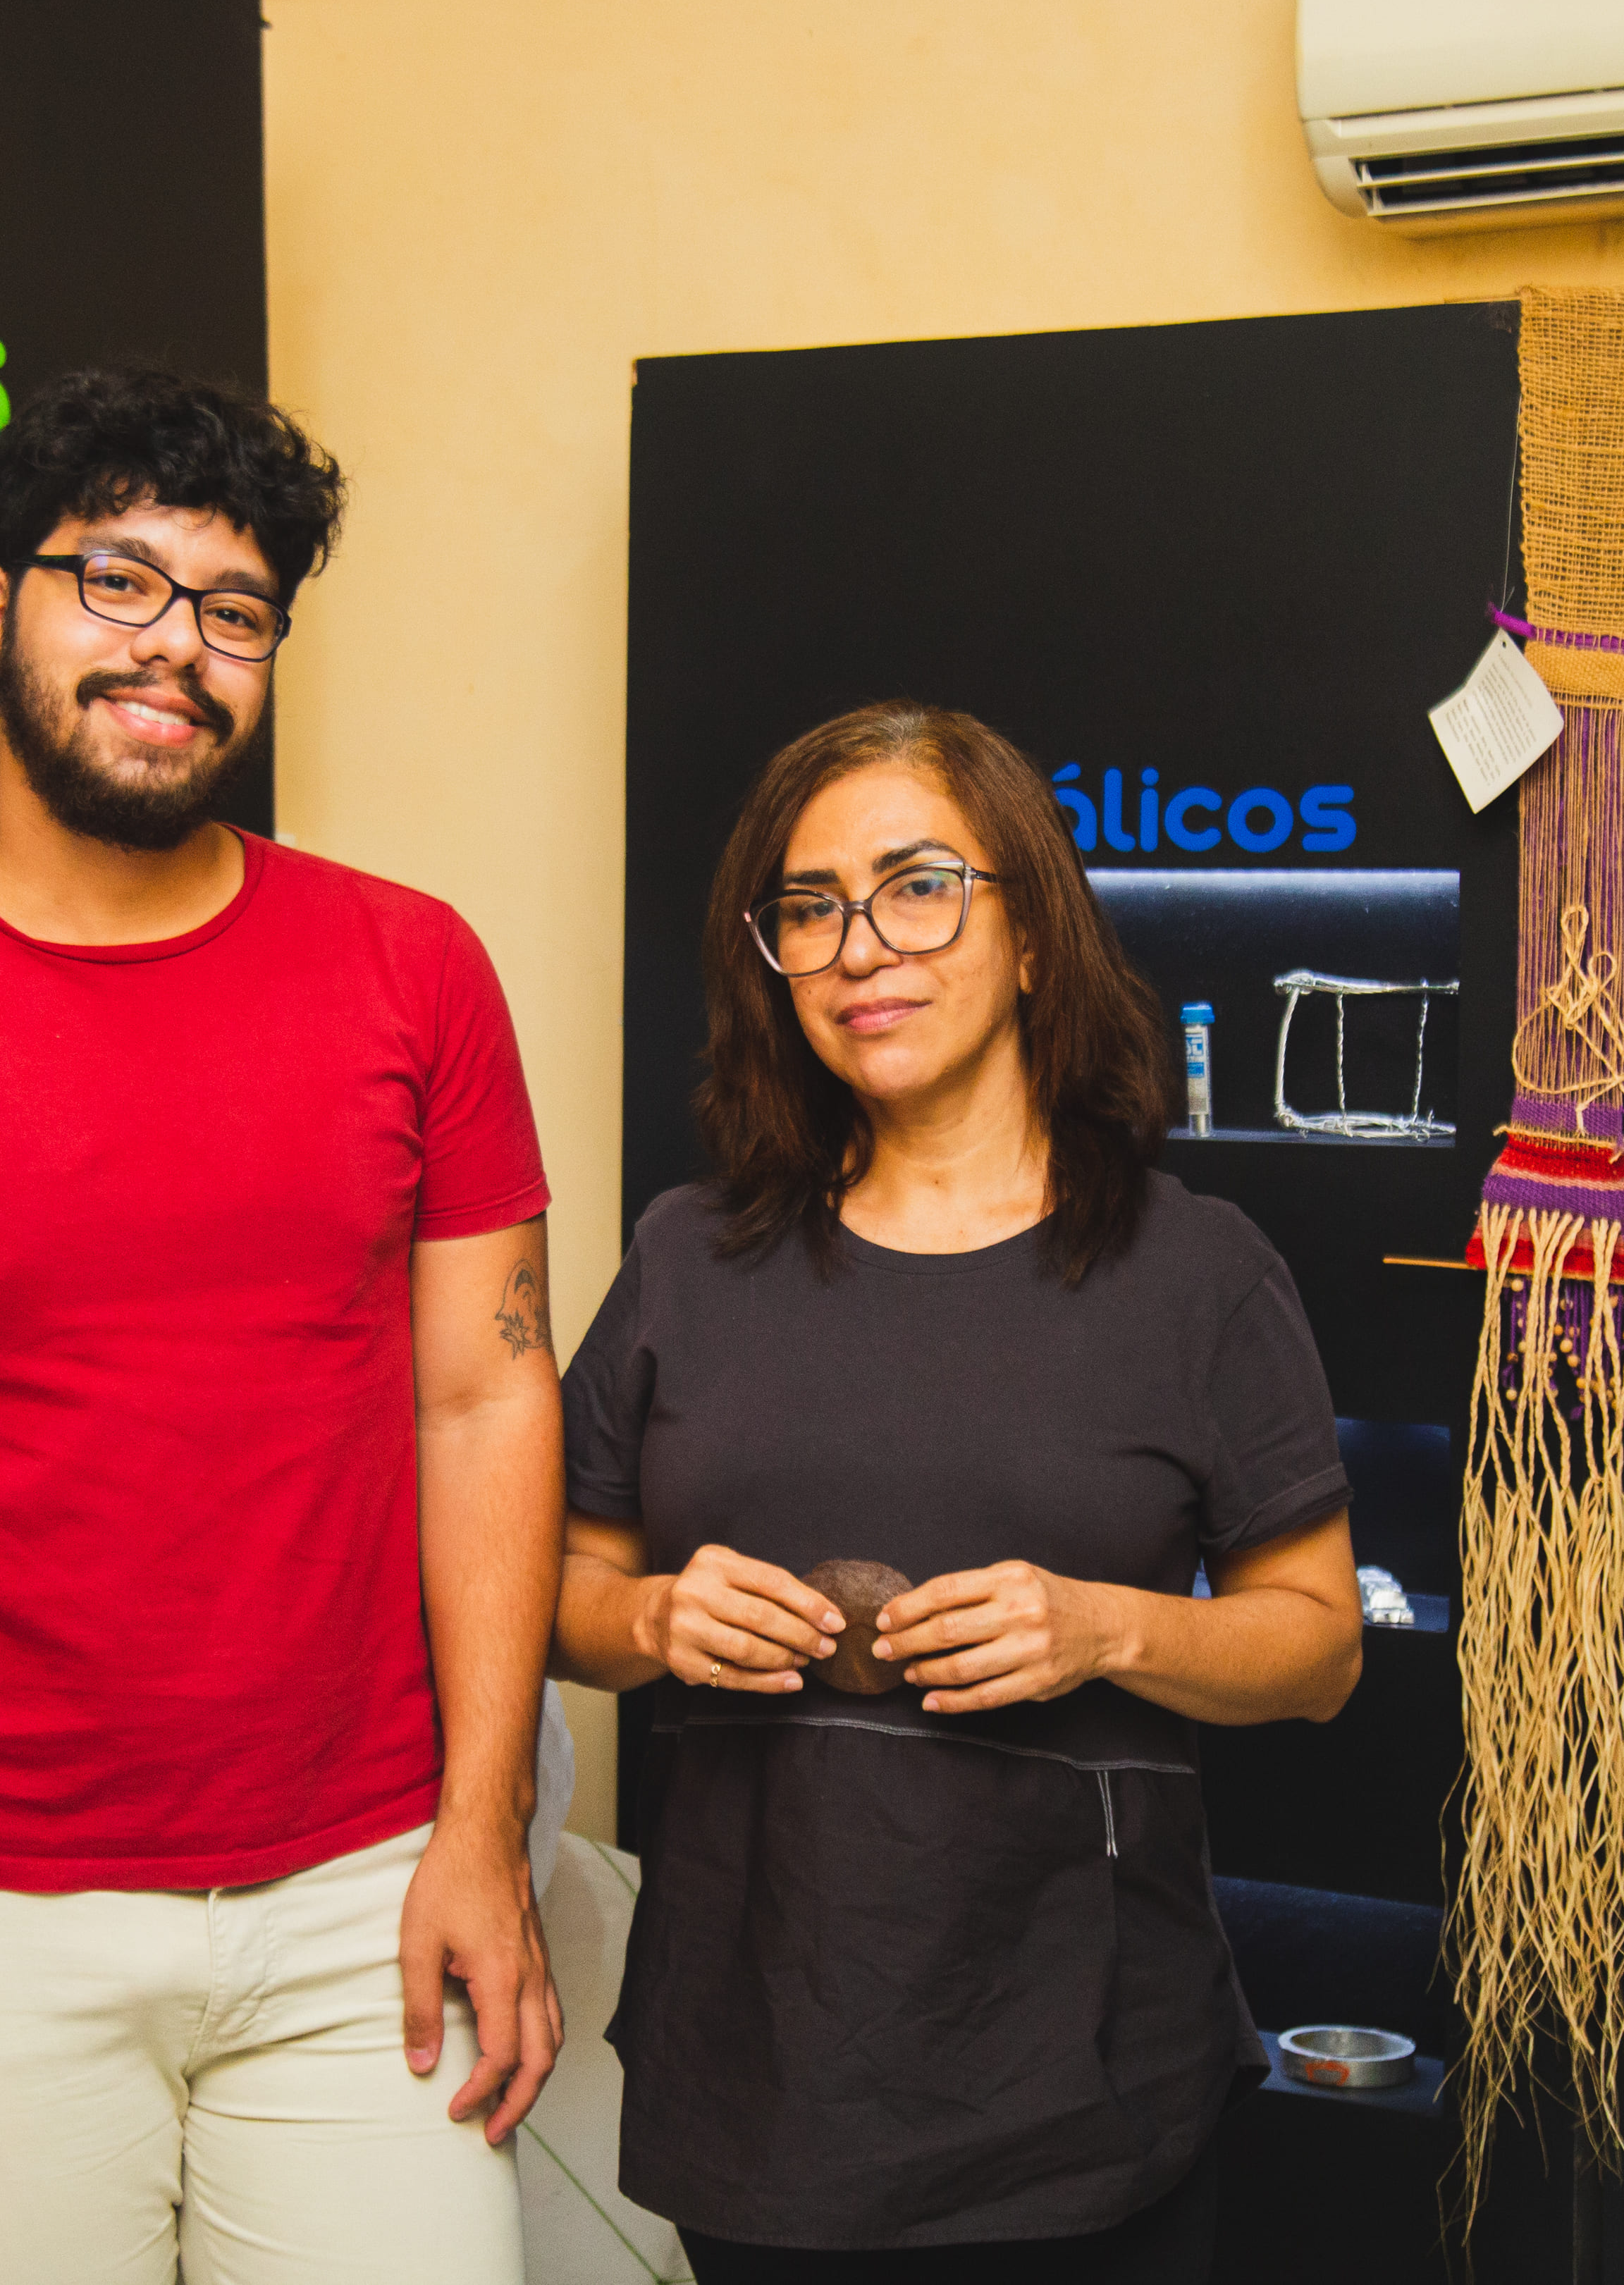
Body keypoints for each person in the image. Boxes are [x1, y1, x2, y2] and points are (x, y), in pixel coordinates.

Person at [0, 367, 565, 2284]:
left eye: (235, 612)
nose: (179, 651)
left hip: (355, 1898)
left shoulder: (417, 972)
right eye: (121, 582)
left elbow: (486, 1397)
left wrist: (479, 1826)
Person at [550, 701, 1367, 2280]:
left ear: (1035, 934)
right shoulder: (684, 1256)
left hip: (1078, 2084)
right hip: (763, 2065)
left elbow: (1320, 1644)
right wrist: (650, 1611)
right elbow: (563, 1604)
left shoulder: (1193, 1271)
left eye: (918, 885)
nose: (861, 946)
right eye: (809, 908)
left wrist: (1106, 1630)